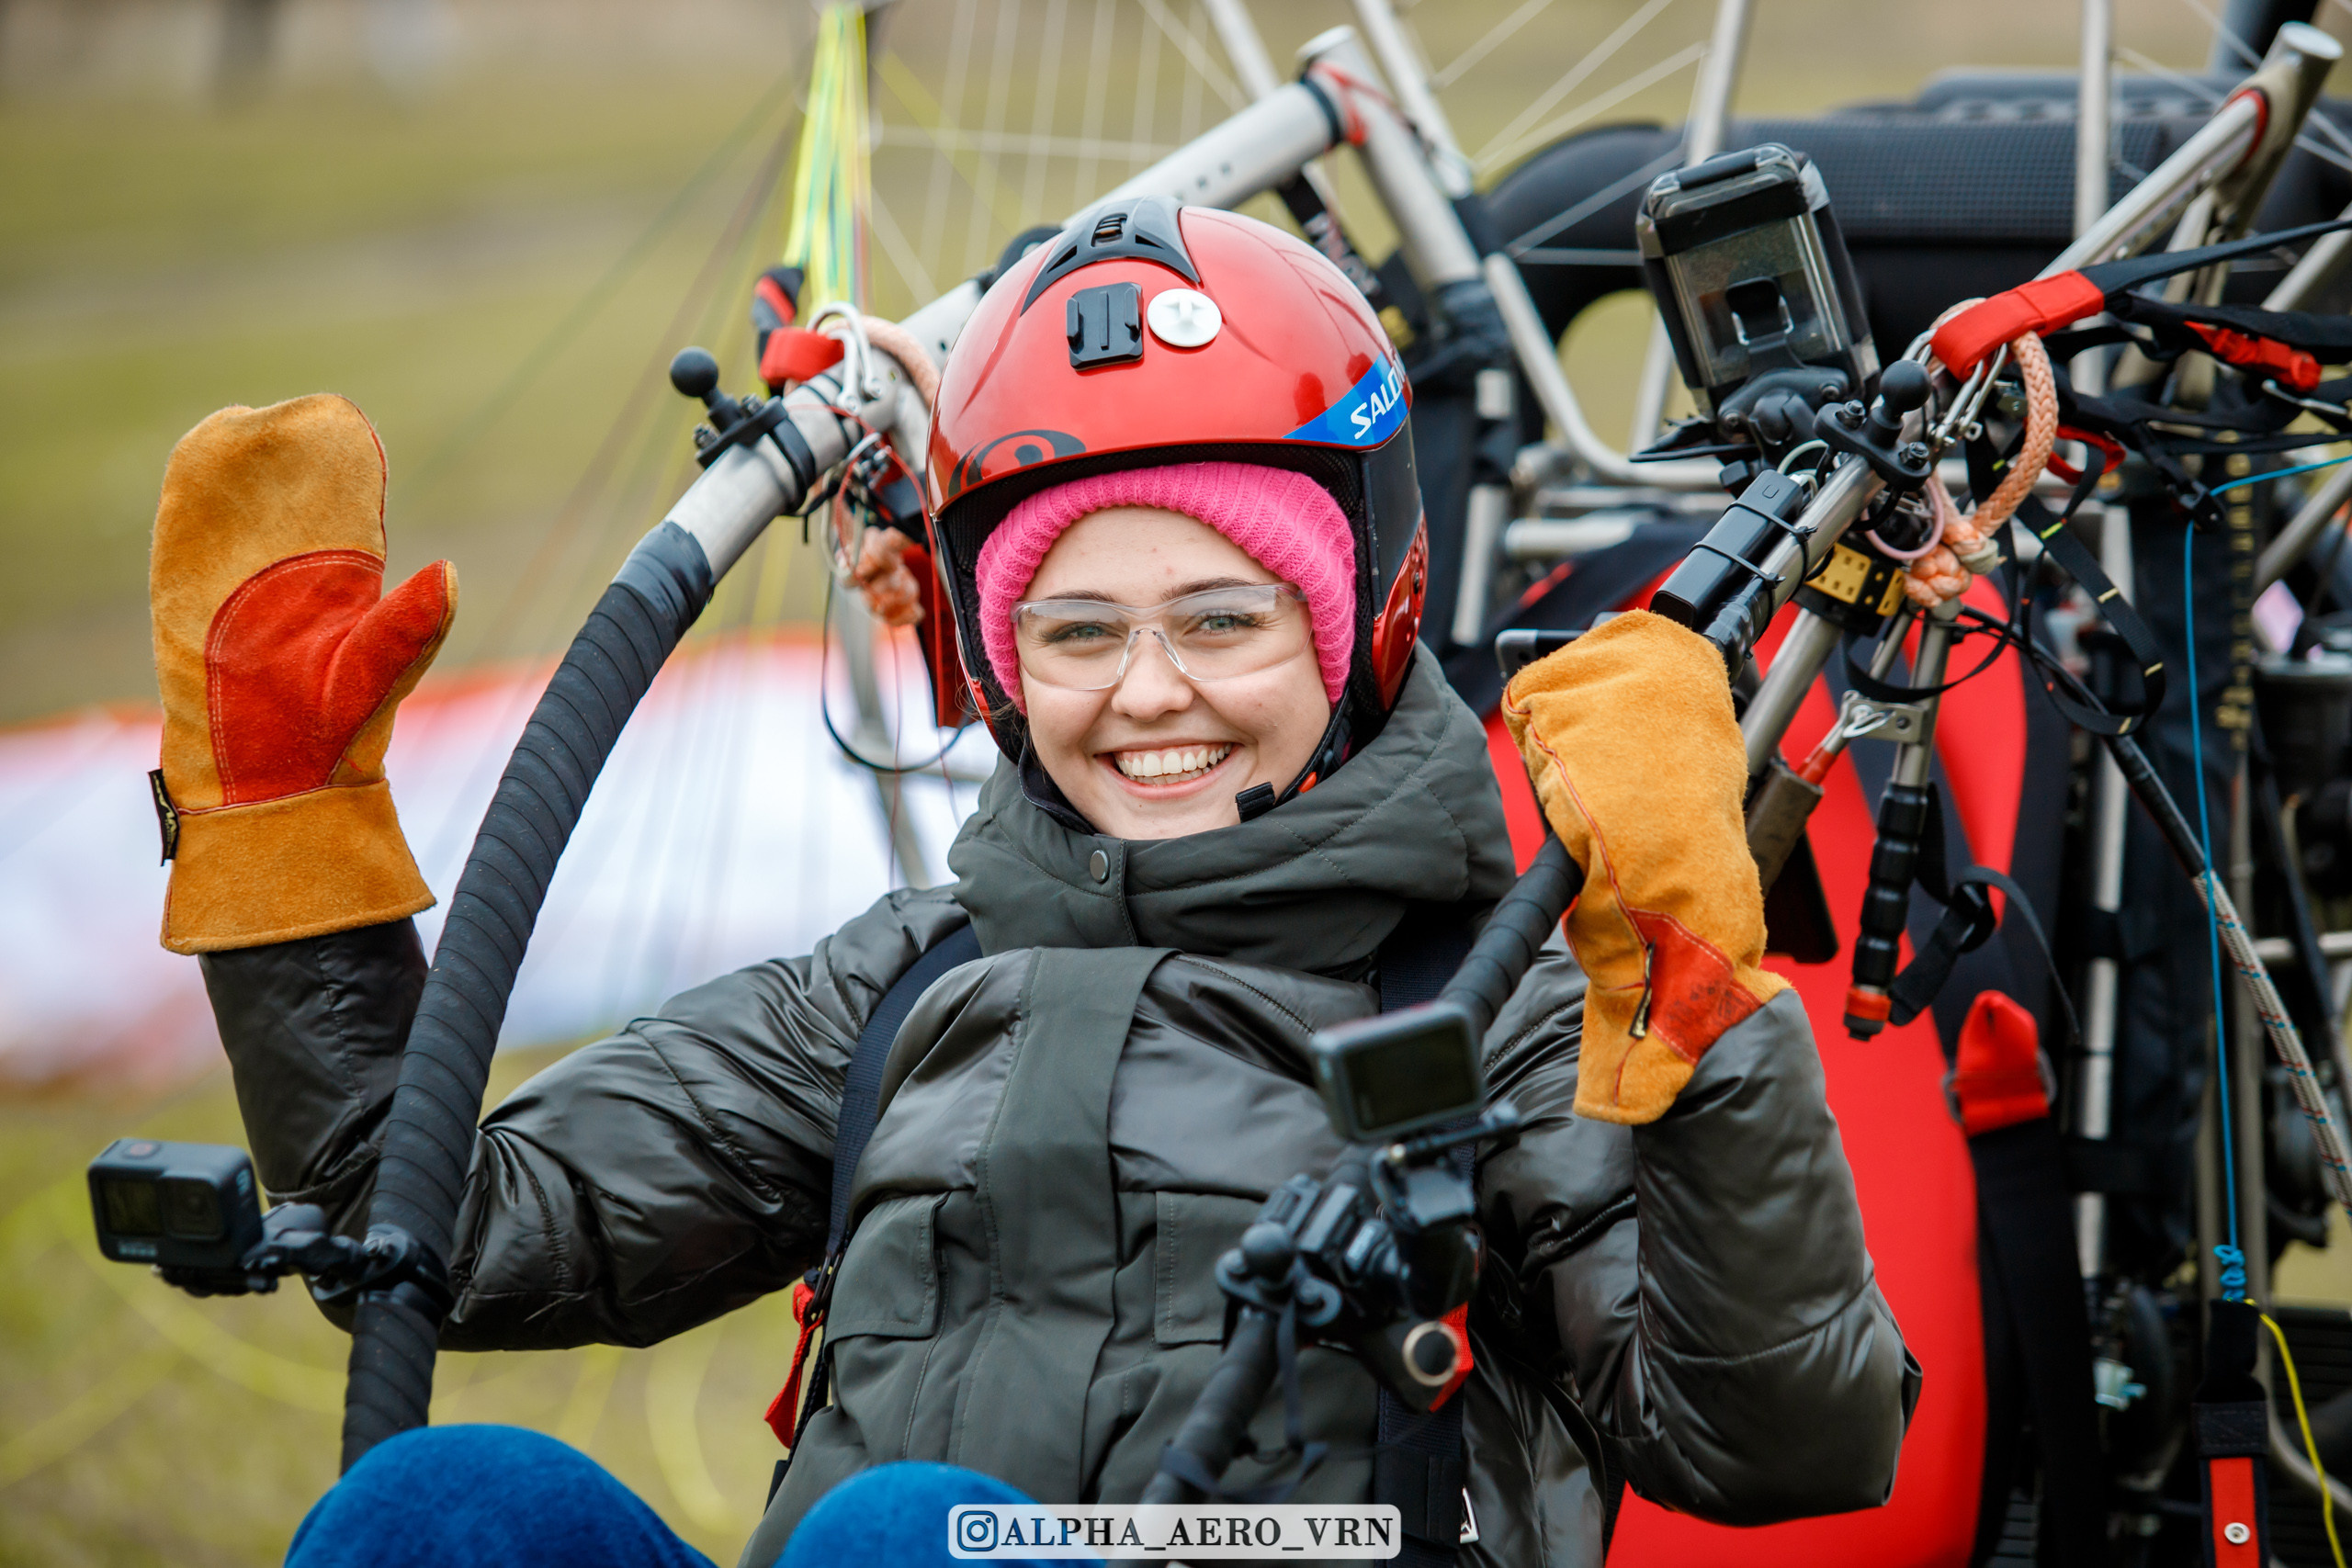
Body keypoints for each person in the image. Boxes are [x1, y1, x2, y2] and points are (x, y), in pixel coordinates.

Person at [144, 200, 1917, 1568]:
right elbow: (429, 1235)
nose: (1147, 694)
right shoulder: (901, 988)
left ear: (1359, 624)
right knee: (447, 1513)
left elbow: (1789, 1449)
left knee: (906, 1538)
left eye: (1221, 619)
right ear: (1002, 665)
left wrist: (1691, 995)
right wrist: (285, 837)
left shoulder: (1507, 1014)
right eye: (1075, 632)